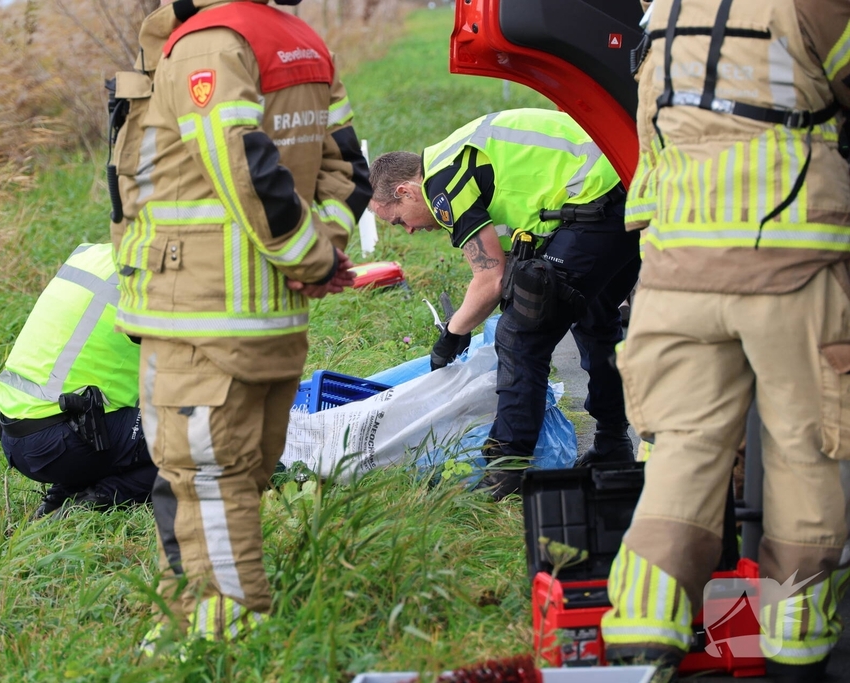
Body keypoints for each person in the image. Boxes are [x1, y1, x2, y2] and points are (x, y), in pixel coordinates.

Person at [600, 1, 850, 680]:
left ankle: (643, 634)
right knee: (805, 449)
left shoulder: (665, 11)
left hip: (676, 265)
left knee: (684, 450)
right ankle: (796, 649)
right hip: (789, 261)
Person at [108, 0, 370, 648]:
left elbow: (244, 168)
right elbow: (348, 170)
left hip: (203, 318)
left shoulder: (208, 46)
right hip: (269, 319)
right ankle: (182, 625)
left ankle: (233, 640)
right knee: (231, 480)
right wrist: (324, 249)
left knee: (206, 480)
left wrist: (308, 258)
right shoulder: (301, 41)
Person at [368, 108, 641, 498]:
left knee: (520, 334)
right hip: (626, 187)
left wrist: (452, 335)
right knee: (595, 319)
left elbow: (489, 279)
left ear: (406, 192)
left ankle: (506, 470)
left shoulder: (442, 183)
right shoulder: (455, 153)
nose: (409, 230)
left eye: (399, 221)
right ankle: (613, 444)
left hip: (597, 200)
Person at [0, 243, 155, 519]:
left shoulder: (92, 254)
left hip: (12, 431)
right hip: (63, 440)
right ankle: (96, 499)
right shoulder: (160, 278)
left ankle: (64, 494)